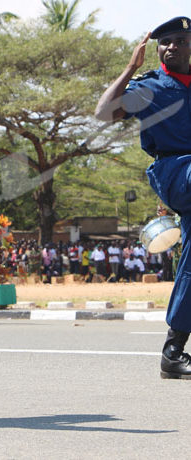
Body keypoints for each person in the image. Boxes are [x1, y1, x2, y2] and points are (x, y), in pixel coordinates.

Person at [96, 16, 191, 379]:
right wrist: (129, 68)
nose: (172, 47)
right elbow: (104, 112)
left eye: (181, 40)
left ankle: (173, 350)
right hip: (174, 172)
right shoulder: (148, 87)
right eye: (165, 42)